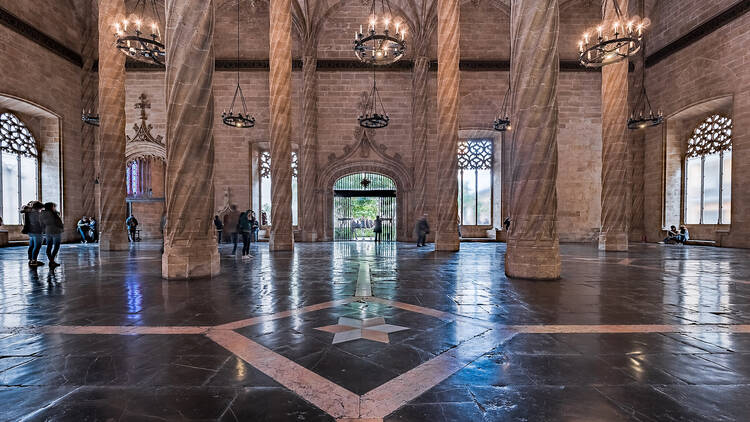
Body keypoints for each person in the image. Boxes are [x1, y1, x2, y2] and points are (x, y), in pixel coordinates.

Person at [40, 202, 64, 267]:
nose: (54, 207)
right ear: (51, 207)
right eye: (53, 206)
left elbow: (41, 223)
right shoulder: (53, 213)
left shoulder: (42, 213)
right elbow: (58, 222)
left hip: (48, 230)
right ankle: (52, 261)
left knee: (49, 246)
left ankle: (51, 261)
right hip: (56, 230)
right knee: (56, 246)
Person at [22, 201, 45, 266]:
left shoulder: (29, 212)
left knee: (32, 246)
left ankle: (31, 259)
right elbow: (39, 223)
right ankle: (34, 261)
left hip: (31, 231)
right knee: (37, 246)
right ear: (38, 207)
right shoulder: (36, 213)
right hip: (37, 231)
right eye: (41, 208)